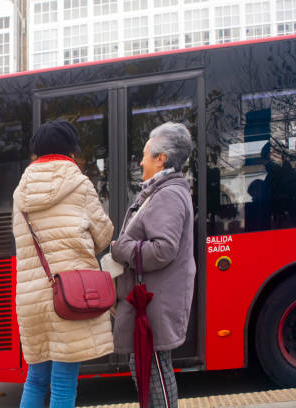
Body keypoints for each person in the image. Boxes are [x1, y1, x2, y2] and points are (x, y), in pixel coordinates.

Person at [12, 119, 115, 408]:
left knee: (35, 380)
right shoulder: (79, 184)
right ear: (70, 151)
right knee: (63, 382)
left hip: (32, 298)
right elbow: (104, 234)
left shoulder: (20, 192)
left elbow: (22, 243)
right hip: (69, 295)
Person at [111, 122, 195, 408]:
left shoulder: (167, 194)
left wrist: (122, 249)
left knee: (154, 371)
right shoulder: (162, 190)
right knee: (148, 369)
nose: (140, 160)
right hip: (152, 300)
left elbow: (163, 250)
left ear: (161, 159)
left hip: (156, 302)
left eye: (145, 154)